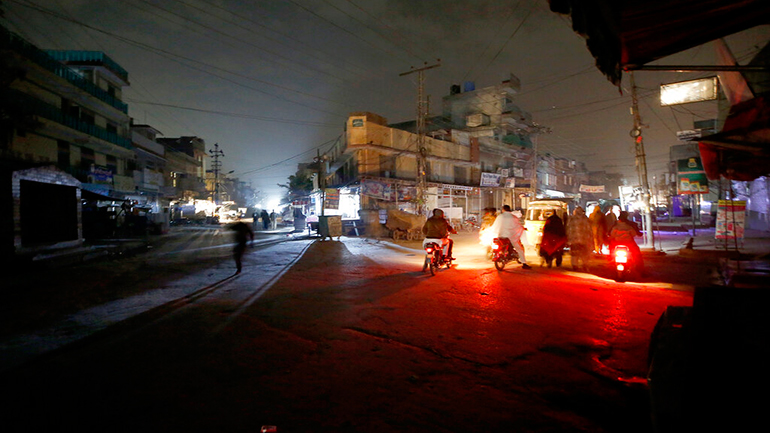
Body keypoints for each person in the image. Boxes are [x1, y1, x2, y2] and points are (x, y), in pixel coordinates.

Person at [488, 205, 531, 269]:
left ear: (503, 210)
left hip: (500, 236)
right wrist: (522, 228)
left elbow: (495, 226)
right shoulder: (513, 217)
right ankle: (524, 263)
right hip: (511, 237)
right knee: (520, 249)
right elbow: (518, 226)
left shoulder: (500, 217)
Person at [566, 206, 593, 272]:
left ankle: (575, 266)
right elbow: (589, 230)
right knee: (584, 254)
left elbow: (568, 230)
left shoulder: (571, 219)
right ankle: (585, 265)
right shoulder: (585, 219)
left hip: (574, 240)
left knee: (575, 254)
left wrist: (568, 240)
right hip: (584, 240)